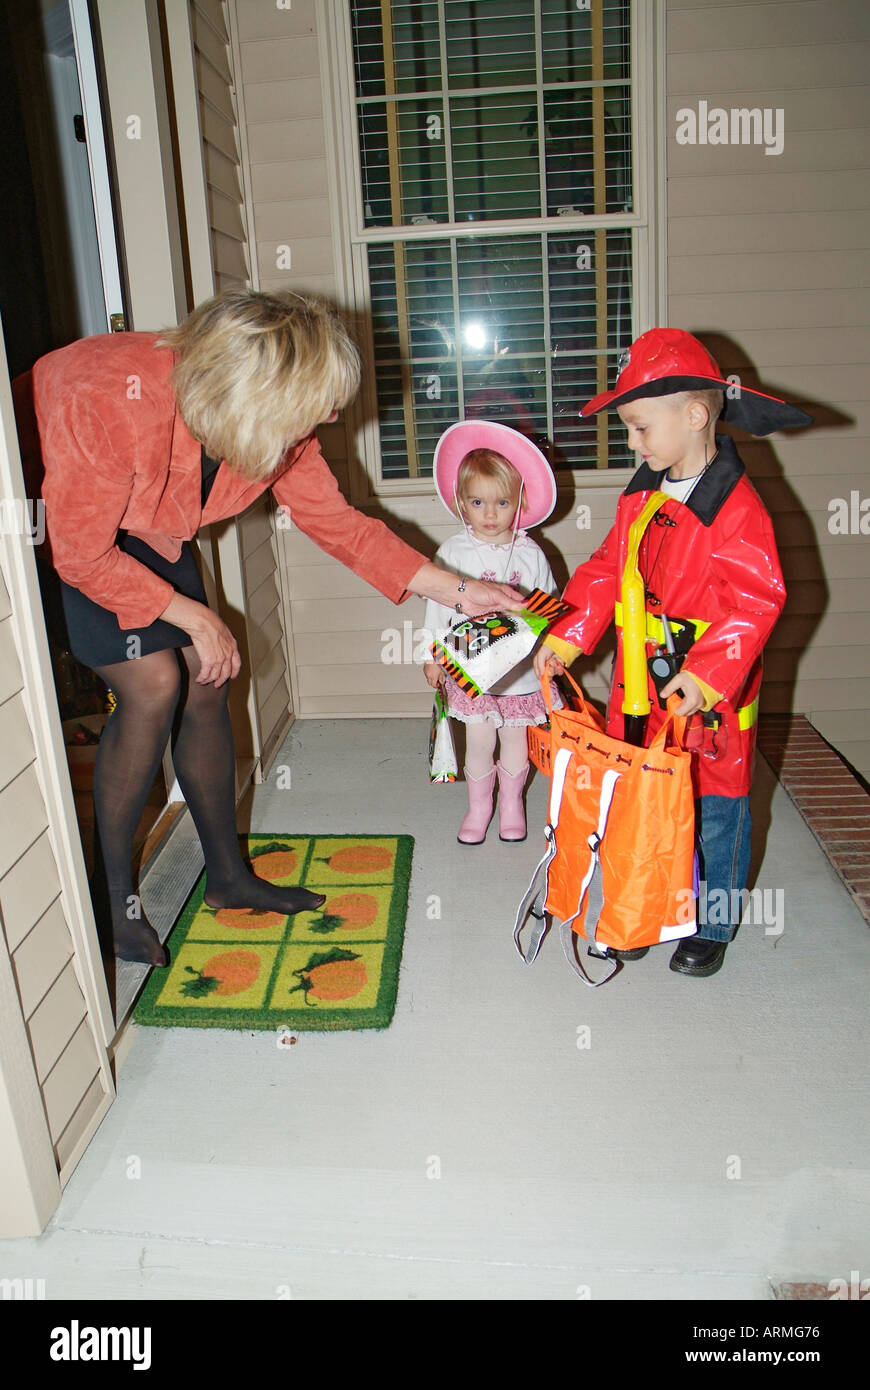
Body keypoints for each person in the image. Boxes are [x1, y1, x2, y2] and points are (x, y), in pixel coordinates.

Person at [31, 290, 525, 967]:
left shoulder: (275, 428)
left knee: (206, 679)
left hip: (148, 516)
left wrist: (465, 591)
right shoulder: (110, 401)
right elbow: (80, 551)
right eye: (318, 399)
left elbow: (341, 526)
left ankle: (228, 879)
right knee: (152, 683)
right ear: (263, 393)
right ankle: (112, 904)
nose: (329, 413)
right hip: (61, 513)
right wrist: (190, 614)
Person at [534, 328, 812, 977]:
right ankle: (644, 909)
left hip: (709, 702)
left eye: (639, 427)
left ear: (693, 416)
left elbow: (757, 602)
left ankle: (710, 924)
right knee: (645, 808)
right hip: (643, 691)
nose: (633, 443)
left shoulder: (736, 509)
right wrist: (567, 636)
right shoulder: (641, 493)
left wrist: (708, 676)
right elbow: (606, 568)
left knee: (716, 815)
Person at [423, 420, 559, 845]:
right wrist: (430, 656)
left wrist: (551, 649)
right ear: (461, 503)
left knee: (515, 741)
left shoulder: (531, 553)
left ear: (519, 503)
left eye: (502, 503)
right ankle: (479, 806)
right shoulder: (452, 553)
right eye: (478, 502)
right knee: (479, 740)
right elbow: (435, 606)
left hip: (517, 674)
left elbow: (549, 604)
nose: (489, 514)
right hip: (471, 669)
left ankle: (512, 804)